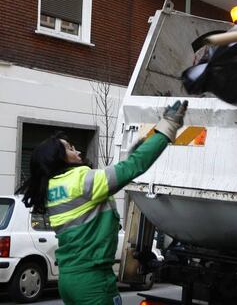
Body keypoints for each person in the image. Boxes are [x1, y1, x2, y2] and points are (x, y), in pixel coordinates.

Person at [17, 100, 188, 305]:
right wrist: (168, 125)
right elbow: (133, 167)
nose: (78, 152)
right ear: (59, 158)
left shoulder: (53, 188)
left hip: (70, 279)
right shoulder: (82, 182)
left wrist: (132, 156)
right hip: (92, 281)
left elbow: (115, 174)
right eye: (71, 149)